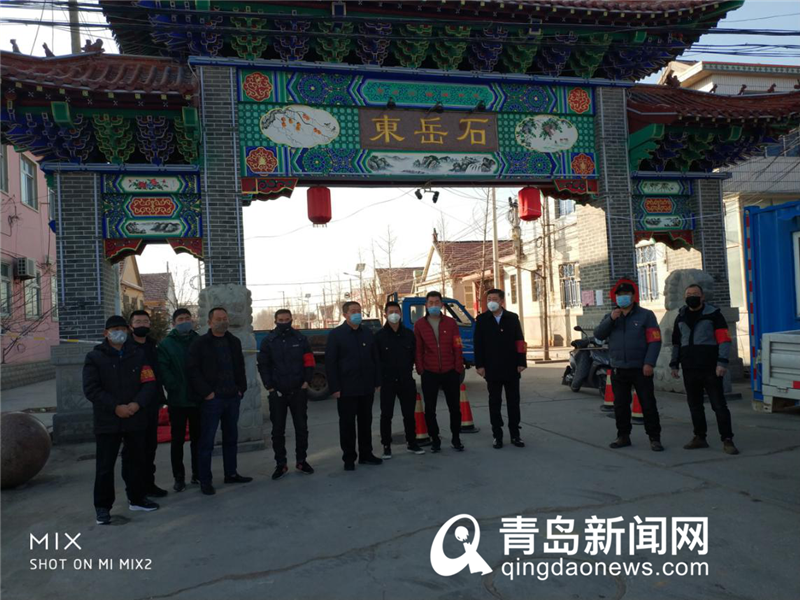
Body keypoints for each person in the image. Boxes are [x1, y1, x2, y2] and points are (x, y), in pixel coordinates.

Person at [83, 315, 159, 525]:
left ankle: (137, 498)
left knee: (136, 462)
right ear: (106, 333)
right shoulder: (95, 357)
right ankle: (102, 508)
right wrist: (115, 407)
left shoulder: (138, 354)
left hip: (135, 417)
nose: (120, 333)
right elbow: (91, 389)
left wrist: (136, 404)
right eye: (115, 329)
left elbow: (149, 382)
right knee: (105, 466)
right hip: (108, 420)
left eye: (123, 329)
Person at [187, 307, 253, 495]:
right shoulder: (199, 344)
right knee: (207, 442)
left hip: (232, 398)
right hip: (212, 400)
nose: (223, 321)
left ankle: (231, 473)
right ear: (210, 322)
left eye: (225, 318)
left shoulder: (234, 341)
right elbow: (192, 370)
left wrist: (241, 389)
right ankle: (205, 480)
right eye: (218, 319)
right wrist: (207, 393)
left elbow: (240, 367)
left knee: (231, 438)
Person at [594, 280, 664, 452]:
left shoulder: (646, 315)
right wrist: (611, 319)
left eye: (626, 295)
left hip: (641, 369)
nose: (622, 298)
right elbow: (599, 335)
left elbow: (655, 340)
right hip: (618, 368)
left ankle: (654, 438)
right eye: (619, 295)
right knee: (620, 406)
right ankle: (623, 436)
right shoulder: (611, 316)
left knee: (648, 404)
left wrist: (649, 363)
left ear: (633, 296)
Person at [670, 284, 739, 455]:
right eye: (688, 294)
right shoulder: (681, 317)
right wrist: (674, 364)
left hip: (711, 368)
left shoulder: (714, 315)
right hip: (689, 368)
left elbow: (724, 340)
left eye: (695, 293)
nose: (691, 296)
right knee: (695, 405)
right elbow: (676, 343)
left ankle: (727, 439)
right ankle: (700, 437)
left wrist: (722, 362)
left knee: (718, 405)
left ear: (702, 297)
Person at [257, 309, 316, 480]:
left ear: (291, 319)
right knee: (277, 431)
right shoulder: (269, 341)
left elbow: (309, 362)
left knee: (301, 428)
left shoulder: (300, 339)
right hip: (277, 393)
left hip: (298, 391)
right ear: (275, 321)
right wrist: (270, 387)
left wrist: (306, 382)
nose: (284, 322)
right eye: (281, 320)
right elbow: (263, 365)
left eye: (287, 319)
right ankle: (280, 464)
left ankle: (301, 461)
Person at [325, 301, 383, 470]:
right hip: (346, 389)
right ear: (345, 315)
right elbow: (330, 363)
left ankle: (366, 454)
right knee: (347, 425)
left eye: (359, 311)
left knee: (366, 422)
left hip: (366, 387)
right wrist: (334, 387)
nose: (357, 314)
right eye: (353, 311)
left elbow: (375, 359)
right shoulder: (336, 335)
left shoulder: (367, 333)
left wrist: (377, 381)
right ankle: (349, 458)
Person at [474, 289, 527, 449]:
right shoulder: (482, 319)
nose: (491, 302)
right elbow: (478, 344)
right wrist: (480, 365)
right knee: (494, 402)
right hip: (492, 368)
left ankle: (515, 435)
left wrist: (521, 362)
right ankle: (497, 435)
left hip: (511, 367)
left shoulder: (512, 318)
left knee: (513, 402)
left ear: (501, 301)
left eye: (494, 299)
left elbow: (520, 341)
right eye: (489, 299)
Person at [414, 291, 465, 453]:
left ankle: (456, 438)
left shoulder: (451, 323)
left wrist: (458, 367)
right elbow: (418, 349)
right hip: (430, 372)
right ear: (426, 305)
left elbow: (457, 345)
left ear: (442, 305)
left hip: (450, 371)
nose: (434, 305)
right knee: (430, 409)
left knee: (455, 408)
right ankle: (435, 439)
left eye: (437, 302)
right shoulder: (419, 325)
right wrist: (420, 368)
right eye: (431, 303)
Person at [158, 308, 202, 492]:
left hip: (198, 399)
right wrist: (173, 386)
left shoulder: (199, 341)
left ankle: (198, 473)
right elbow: (163, 369)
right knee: (177, 441)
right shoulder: (166, 344)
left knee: (198, 439)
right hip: (177, 400)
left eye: (187, 318)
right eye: (181, 319)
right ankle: (179, 476)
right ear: (174, 323)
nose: (185, 321)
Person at [375, 301, 424, 459]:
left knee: (409, 414)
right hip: (387, 381)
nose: (394, 315)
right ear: (385, 315)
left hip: (406, 380)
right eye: (391, 312)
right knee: (386, 415)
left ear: (401, 314)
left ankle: (412, 442)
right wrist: (377, 382)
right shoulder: (379, 337)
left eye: (396, 311)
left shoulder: (409, 335)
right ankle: (386, 445)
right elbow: (375, 361)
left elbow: (415, 356)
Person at [129, 310, 168, 498]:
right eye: (138, 322)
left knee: (150, 446)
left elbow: (157, 374)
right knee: (135, 449)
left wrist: (161, 397)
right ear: (131, 326)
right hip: (134, 404)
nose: (142, 325)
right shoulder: (126, 347)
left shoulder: (152, 345)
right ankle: (137, 489)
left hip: (152, 402)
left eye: (145, 321)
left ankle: (149, 484)